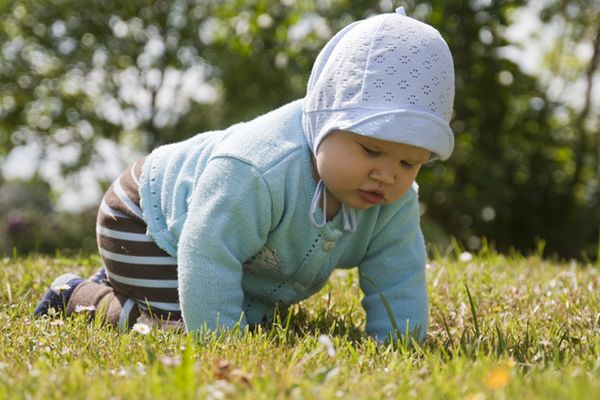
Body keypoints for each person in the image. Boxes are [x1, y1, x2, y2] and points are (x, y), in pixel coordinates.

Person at [34, 7, 455, 342]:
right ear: (324, 119)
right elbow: (208, 251)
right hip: (145, 219)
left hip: (203, 240)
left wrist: (399, 343)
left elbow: (398, 276)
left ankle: (134, 285)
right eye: (371, 150)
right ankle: (81, 296)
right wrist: (223, 341)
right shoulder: (260, 168)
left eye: (409, 162)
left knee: (248, 315)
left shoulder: (394, 202)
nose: (387, 175)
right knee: (185, 330)